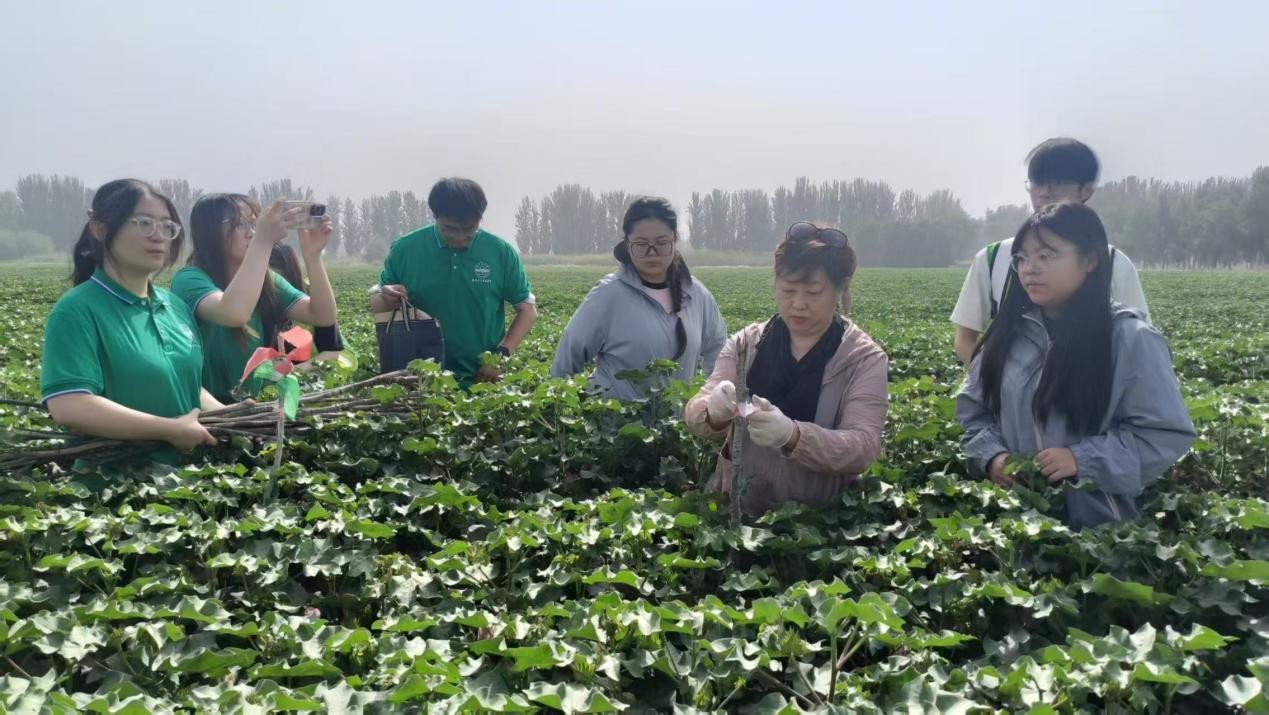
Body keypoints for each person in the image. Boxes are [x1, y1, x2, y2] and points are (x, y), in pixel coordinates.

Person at [956, 202, 1194, 530]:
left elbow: (1162, 433)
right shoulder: (1005, 335)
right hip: (1012, 527)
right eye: (1022, 258)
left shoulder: (1131, 339)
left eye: (1047, 255)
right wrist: (992, 457)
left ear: (1091, 260)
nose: (1030, 269)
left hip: (1102, 535)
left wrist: (1082, 460)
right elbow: (974, 414)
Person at [684, 222, 889, 517]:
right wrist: (711, 411)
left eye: (814, 292)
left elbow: (863, 445)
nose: (798, 304)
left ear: (841, 289)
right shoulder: (747, 344)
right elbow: (695, 411)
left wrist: (793, 436)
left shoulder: (863, 359)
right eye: (788, 289)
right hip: (736, 513)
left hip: (819, 524)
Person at [40, 179, 221, 463]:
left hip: (191, 483)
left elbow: (187, 387)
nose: (158, 236)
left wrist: (229, 415)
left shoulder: (174, 306)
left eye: (167, 227)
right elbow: (69, 405)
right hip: (115, 491)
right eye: (144, 223)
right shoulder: (76, 310)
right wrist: (168, 430)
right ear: (100, 230)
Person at [951, 137, 1150, 364]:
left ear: (1087, 190)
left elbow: (1136, 344)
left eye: (1057, 183)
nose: (1044, 193)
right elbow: (965, 337)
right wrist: (991, 385)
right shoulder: (993, 258)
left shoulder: (1114, 262)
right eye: (1036, 182)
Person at [550, 197, 726, 399]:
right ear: (627, 243)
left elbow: (719, 351)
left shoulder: (697, 295)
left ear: (674, 239)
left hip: (679, 427)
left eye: (661, 243)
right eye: (641, 244)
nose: (652, 253)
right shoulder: (608, 295)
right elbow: (566, 360)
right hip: (617, 426)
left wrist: (710, 404)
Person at [370, 178, 537, 386]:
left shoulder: (500, 252)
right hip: (418, 382)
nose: (460, 238)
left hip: (480, 381)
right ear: (435, 216)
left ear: (480, 219)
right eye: (449, 229)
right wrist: (386, 297)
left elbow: (527, 310)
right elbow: (377, 306)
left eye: (469, 229)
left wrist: (500, 356)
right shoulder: (405, 249)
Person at [171, 194, 337, 403]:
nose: (251, 233)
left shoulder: (267, 279)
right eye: (239, 224)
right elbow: (233, 313)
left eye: (253, 223)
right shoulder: (190, 279)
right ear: (210, 232)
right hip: (208, 406)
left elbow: (323, 315)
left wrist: (313, 256)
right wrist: (264, 241)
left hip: (255, 403)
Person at [270, 242, 344, 354]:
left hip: (314, 368)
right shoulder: (252, 304)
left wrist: (292, 370)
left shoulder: (315, 299)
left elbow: (332, 353)